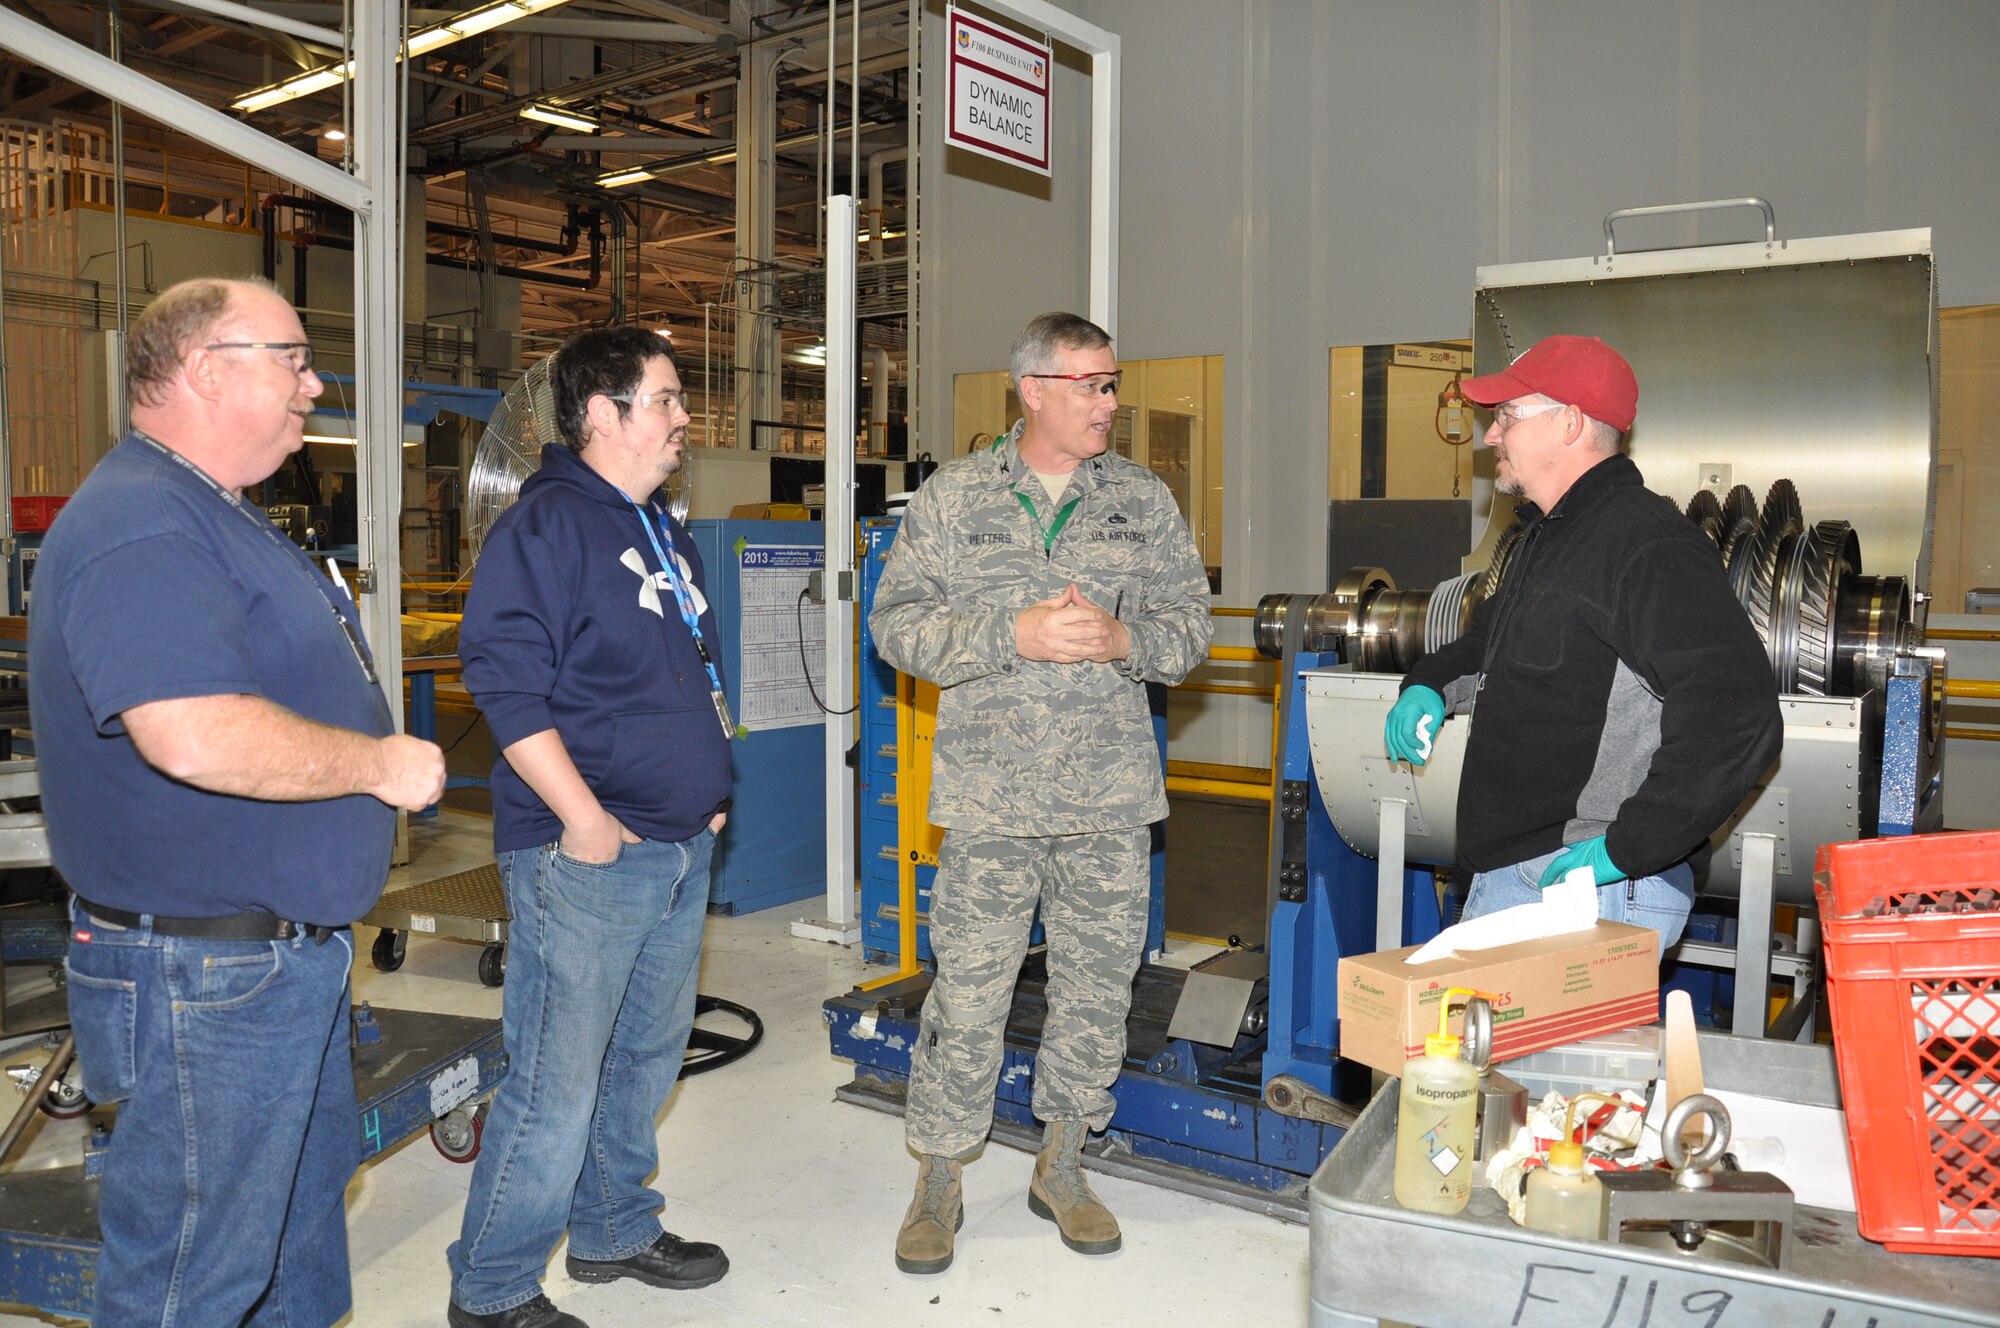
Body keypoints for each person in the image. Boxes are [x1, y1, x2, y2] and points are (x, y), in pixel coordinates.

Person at [29, 277, 447, 1327]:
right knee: (192, 1283)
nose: (314, 385)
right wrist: (374, 764)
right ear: (208, 369)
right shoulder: (141, 523)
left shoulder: (210, 512)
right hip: (203, 978)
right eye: (293, 358)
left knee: (290, 1258)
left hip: (265, 968)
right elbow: (193, 729)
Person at [870, 312, 1212, 1273]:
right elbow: (895, 624)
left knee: (1096, 993)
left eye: (1113, 385)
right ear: (1032, 390)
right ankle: (940, 1175)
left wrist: (1125, 641)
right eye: (1092, 385)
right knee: (969, 995)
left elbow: (1189, 631)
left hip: (1109, 802)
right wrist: (1005, 635)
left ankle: (1064, 1161)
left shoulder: (1142, 501)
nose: (1111, 403)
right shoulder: (955, 497)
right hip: (990, 801)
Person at [448, 326, 733, 1328]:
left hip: (677, 843)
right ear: (601, 414)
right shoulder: (548, 527)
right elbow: (499, 676)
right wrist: (581, 817)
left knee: (642, 1060)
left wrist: (707, 784)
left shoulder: (662, 529)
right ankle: (489, 1289)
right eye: (664, 399)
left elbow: (673, 673)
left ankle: (613, 1223)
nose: (682, 418)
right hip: (589, 857)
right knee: (555, 1084)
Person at [1385, 335, 1782, 956]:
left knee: (1510, 1055)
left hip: (1584, 887)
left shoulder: (1645, 545)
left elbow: (1737, 711)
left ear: (1568, 423)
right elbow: (1489, 641)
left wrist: (1627, 847)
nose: (1491, 437)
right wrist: (1429, 685)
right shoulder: (1548, 538)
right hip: (1529, 878)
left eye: (1507, 417)